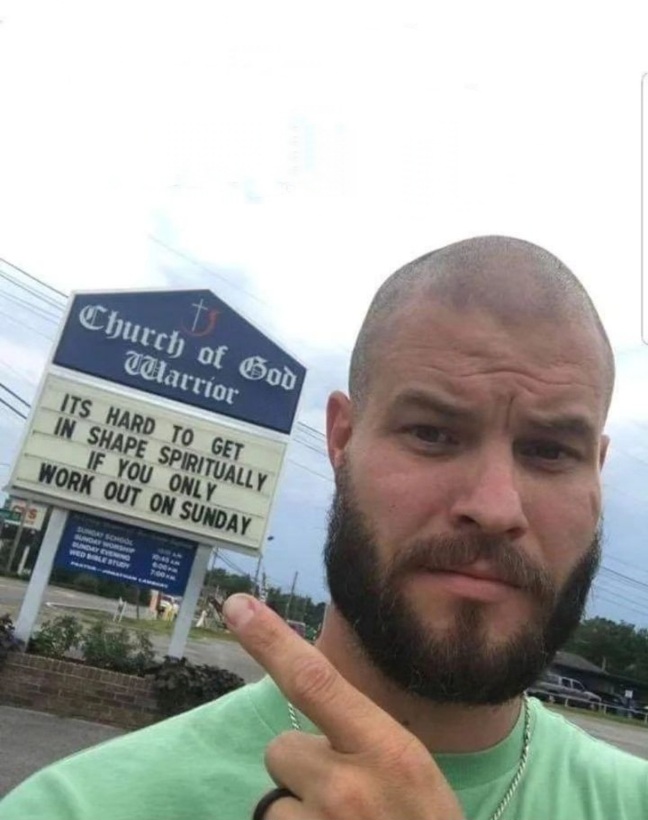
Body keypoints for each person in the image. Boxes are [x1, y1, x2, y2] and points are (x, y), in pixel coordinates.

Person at [1, 235, 646, 820]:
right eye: (432, 432)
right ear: (342, 439)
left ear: (597, 471)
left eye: (550, 451)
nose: (497, 506)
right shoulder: (76, 808)